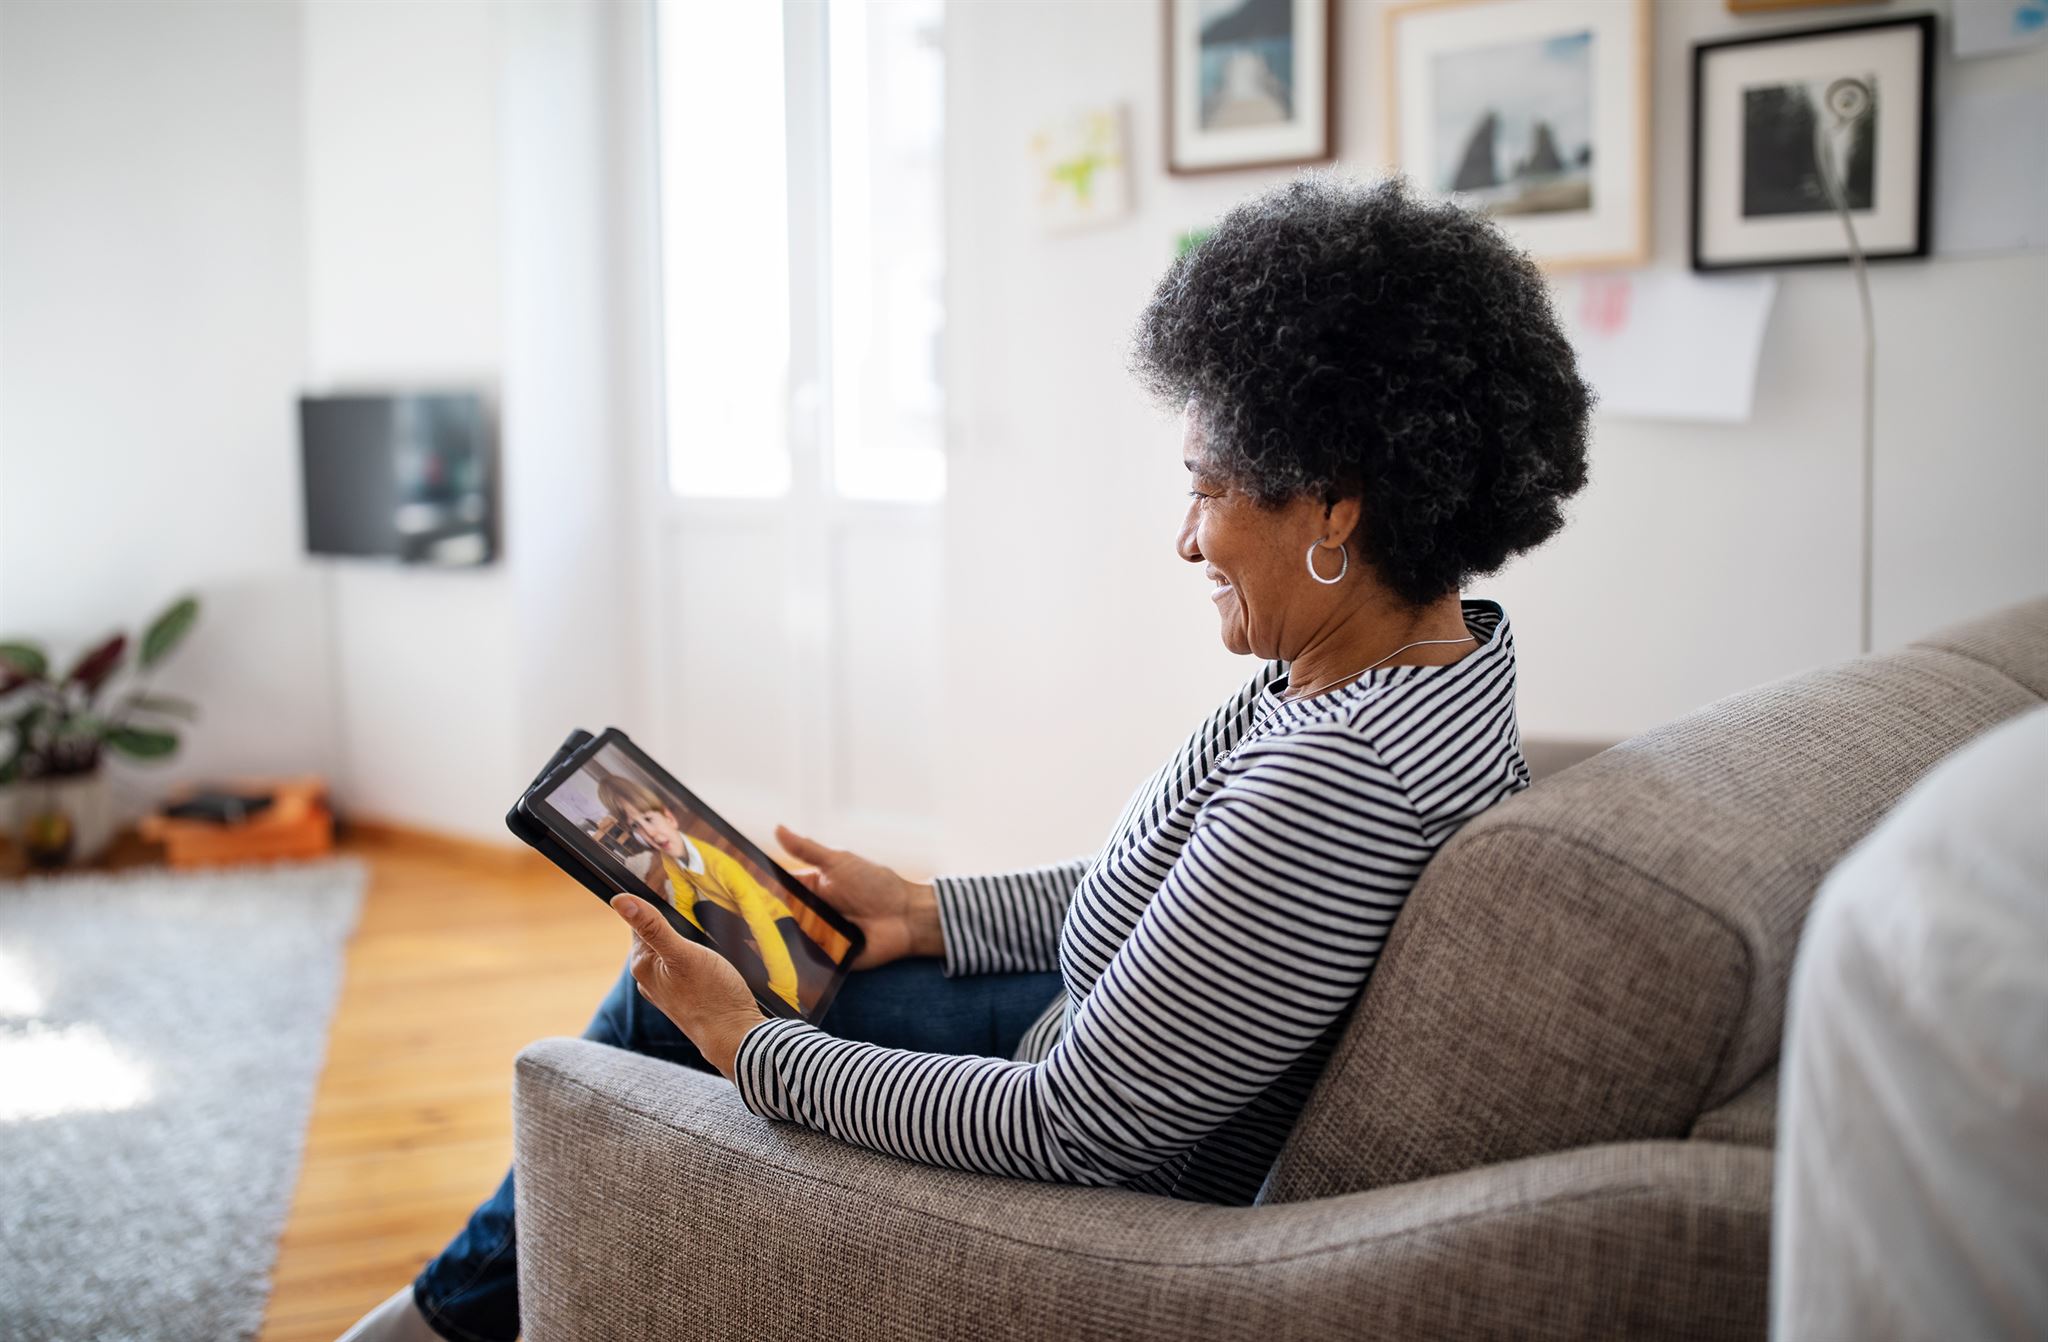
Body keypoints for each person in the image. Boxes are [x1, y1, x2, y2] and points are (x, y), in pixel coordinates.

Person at [338, 171, 1593, 1342]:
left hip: (1074, 1163)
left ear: (1334, 505)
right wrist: (925, 911)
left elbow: (1075, 1123)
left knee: (673, 1007)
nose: (1183, 540)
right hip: (1080, 1027)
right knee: (711, 964)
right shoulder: (1421, 666)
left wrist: (748, 1050)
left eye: (1204, 490)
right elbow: (1192, 901)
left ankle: (427, 1326)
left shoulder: (1337, 777)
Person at [596, 770, 808, 1015]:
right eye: (637, 826)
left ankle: (767, 989)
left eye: (649, 819)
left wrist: (785, 998)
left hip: (777, 921)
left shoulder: (720, 865)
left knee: (793, 959)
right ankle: (751, 977)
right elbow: (684, 901)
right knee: (700, 909)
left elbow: (762, 926)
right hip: (740, 915)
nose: (650, 833)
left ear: (669, 817)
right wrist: (686, 945)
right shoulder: (671, 859)